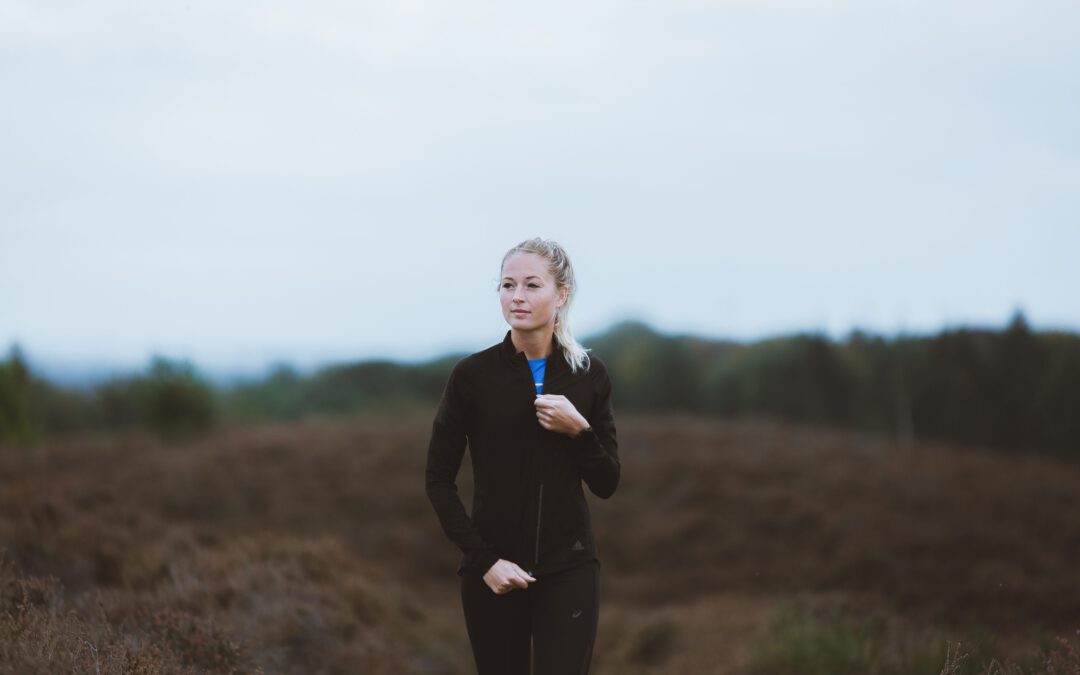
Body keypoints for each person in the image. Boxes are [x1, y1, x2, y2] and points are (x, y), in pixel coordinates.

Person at [425, 237, 621, 675]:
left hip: (569, 569)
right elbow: (437, 481)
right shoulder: (472, 377)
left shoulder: (588, 376)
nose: (517, 297)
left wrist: (580, 430)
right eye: (507, 285)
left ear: (561, 295)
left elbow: (607, 483)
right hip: (494, 573)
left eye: (532, 285)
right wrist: (485, 562)